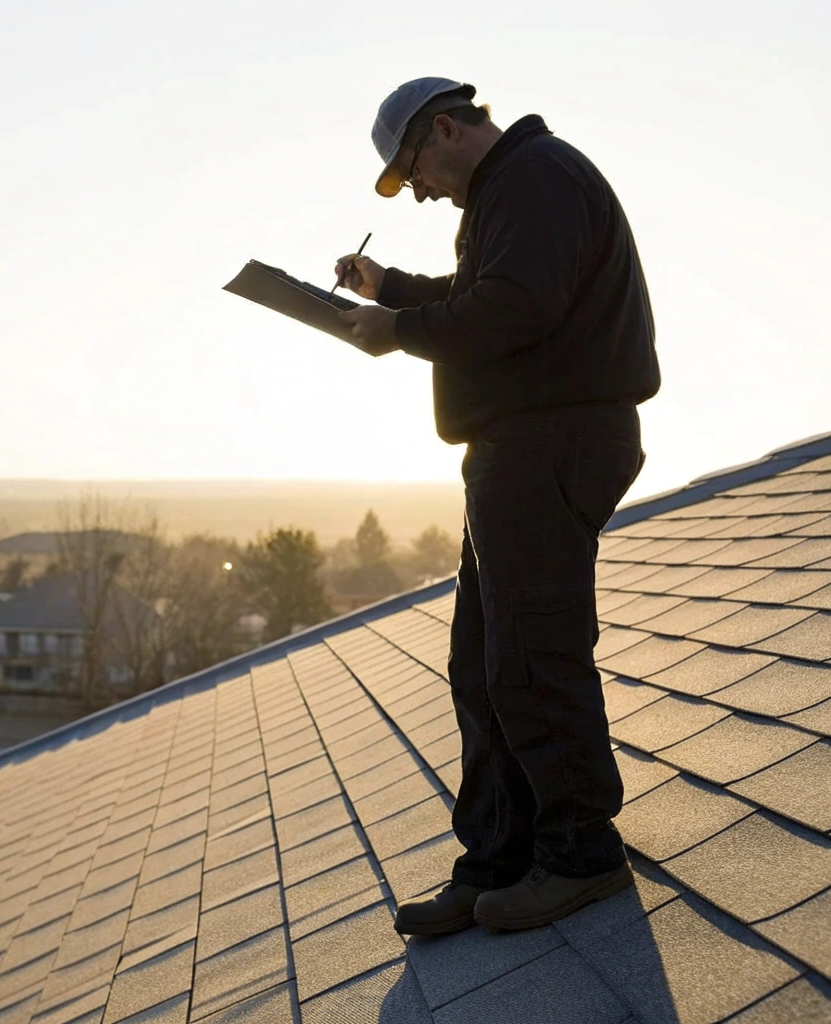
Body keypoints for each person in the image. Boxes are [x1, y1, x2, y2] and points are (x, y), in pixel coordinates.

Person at [332, 78, 660, 935]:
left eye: (414, 173)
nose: (421, 193)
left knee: (532, 653)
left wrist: (399, 333)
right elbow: (484, 292)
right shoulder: (513, 187)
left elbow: (514, 308)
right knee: (483, 662)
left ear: (444, 128)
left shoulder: (535, 177)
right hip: (523, 446)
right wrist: (390, 290)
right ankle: (499, 860)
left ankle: (581, 855)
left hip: (551, 441)